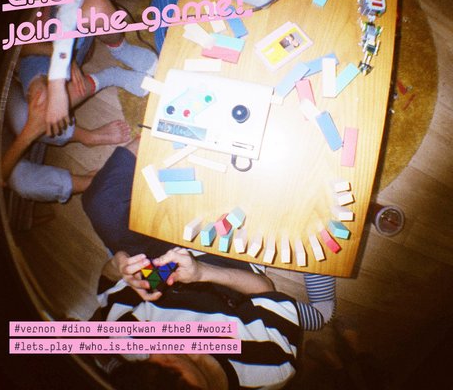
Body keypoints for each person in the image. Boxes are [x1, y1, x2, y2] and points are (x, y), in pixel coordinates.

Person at [81, 142, 338, 388]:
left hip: (160, 269)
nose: (158, 350)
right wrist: (202, 272)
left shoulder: (129, 344)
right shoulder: (269, 366)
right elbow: (264, 289)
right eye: (172, 367)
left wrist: (121, 265)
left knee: (100, 204)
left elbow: (110, 277)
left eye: (147, 359)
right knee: (320, 312)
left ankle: (157, 136)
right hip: (227, 276)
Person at [2, 0, 159, 203]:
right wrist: (30, 131)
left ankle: (120, 49)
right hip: (28, 63)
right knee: (40, 111)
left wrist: (59, 58)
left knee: (98, 9)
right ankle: (109, 77)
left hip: (43, 42)